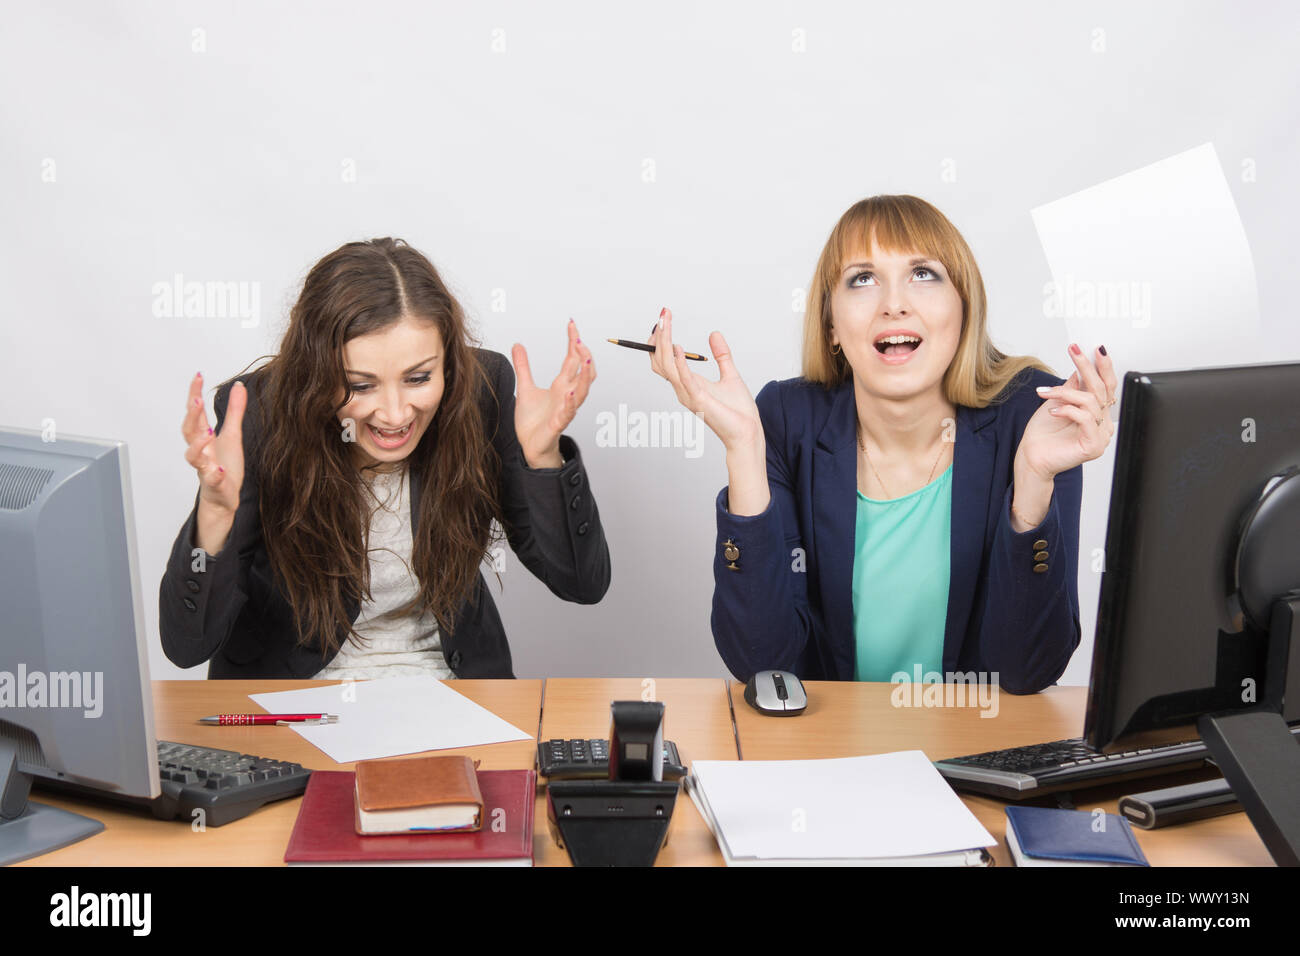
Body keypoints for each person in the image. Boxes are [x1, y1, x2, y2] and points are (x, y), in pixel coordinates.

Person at [647, 195, 1117, 694]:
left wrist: (1034, 481)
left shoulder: (1032, 416)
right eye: (863, 279)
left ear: (964, 310)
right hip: (834, 757)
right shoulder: (787, 420)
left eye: (923, 274)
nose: (894, 303)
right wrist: (743, 448)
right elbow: (765, 663)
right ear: (831, 325)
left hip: (978, 757)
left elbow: (1027, 671)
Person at [160, 237, 610, 679]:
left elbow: (581, 584)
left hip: (451, 695)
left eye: (418, 377)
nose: (395, 415)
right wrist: (216, 516)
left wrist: (543, 457)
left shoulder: (480, 393)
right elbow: (185, 646)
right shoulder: (260, 415)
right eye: (359, 385)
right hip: (296, 704)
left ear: (448, 364)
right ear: (314, 373)